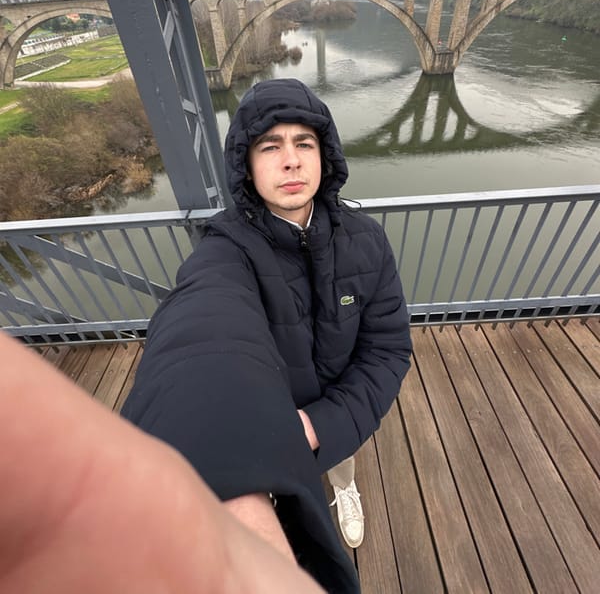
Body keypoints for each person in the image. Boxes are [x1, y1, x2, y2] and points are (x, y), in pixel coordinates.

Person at [121, 78, 413, 592]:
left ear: (325, 157)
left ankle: (343, 488)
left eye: (305, 143)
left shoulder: (367, 242)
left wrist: (323, 423)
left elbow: (387, 347)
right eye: (270, 146)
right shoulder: (226, 251)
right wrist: (218, 451)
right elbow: (198, 325)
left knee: (341, 460)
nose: (292, 160)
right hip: (265, 424)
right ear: (247, 165)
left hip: (335, 411)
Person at [0, 330, 324, 594]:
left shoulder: (372, 258)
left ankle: (341, 480)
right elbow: (205, 306)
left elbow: (377, 354)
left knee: (336, 460)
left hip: (322, 397)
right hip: (269, 387)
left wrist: (323, 424)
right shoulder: (233, 258)